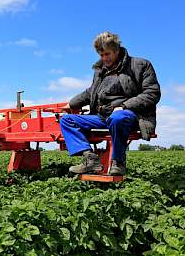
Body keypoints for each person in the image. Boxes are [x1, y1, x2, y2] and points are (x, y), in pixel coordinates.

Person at [60, 31, 161, 175]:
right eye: (101, 55)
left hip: (131, 115)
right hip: (102, 117)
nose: (104, 58)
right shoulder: (101, 70)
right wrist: (71, 104)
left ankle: (118, 162)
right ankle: (90, 159)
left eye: (107, 54)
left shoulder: (140, 65)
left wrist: (123, 106)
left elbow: (152, 93)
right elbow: (91, 92)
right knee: (67, 120)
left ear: (117, 50)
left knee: (117, 118)